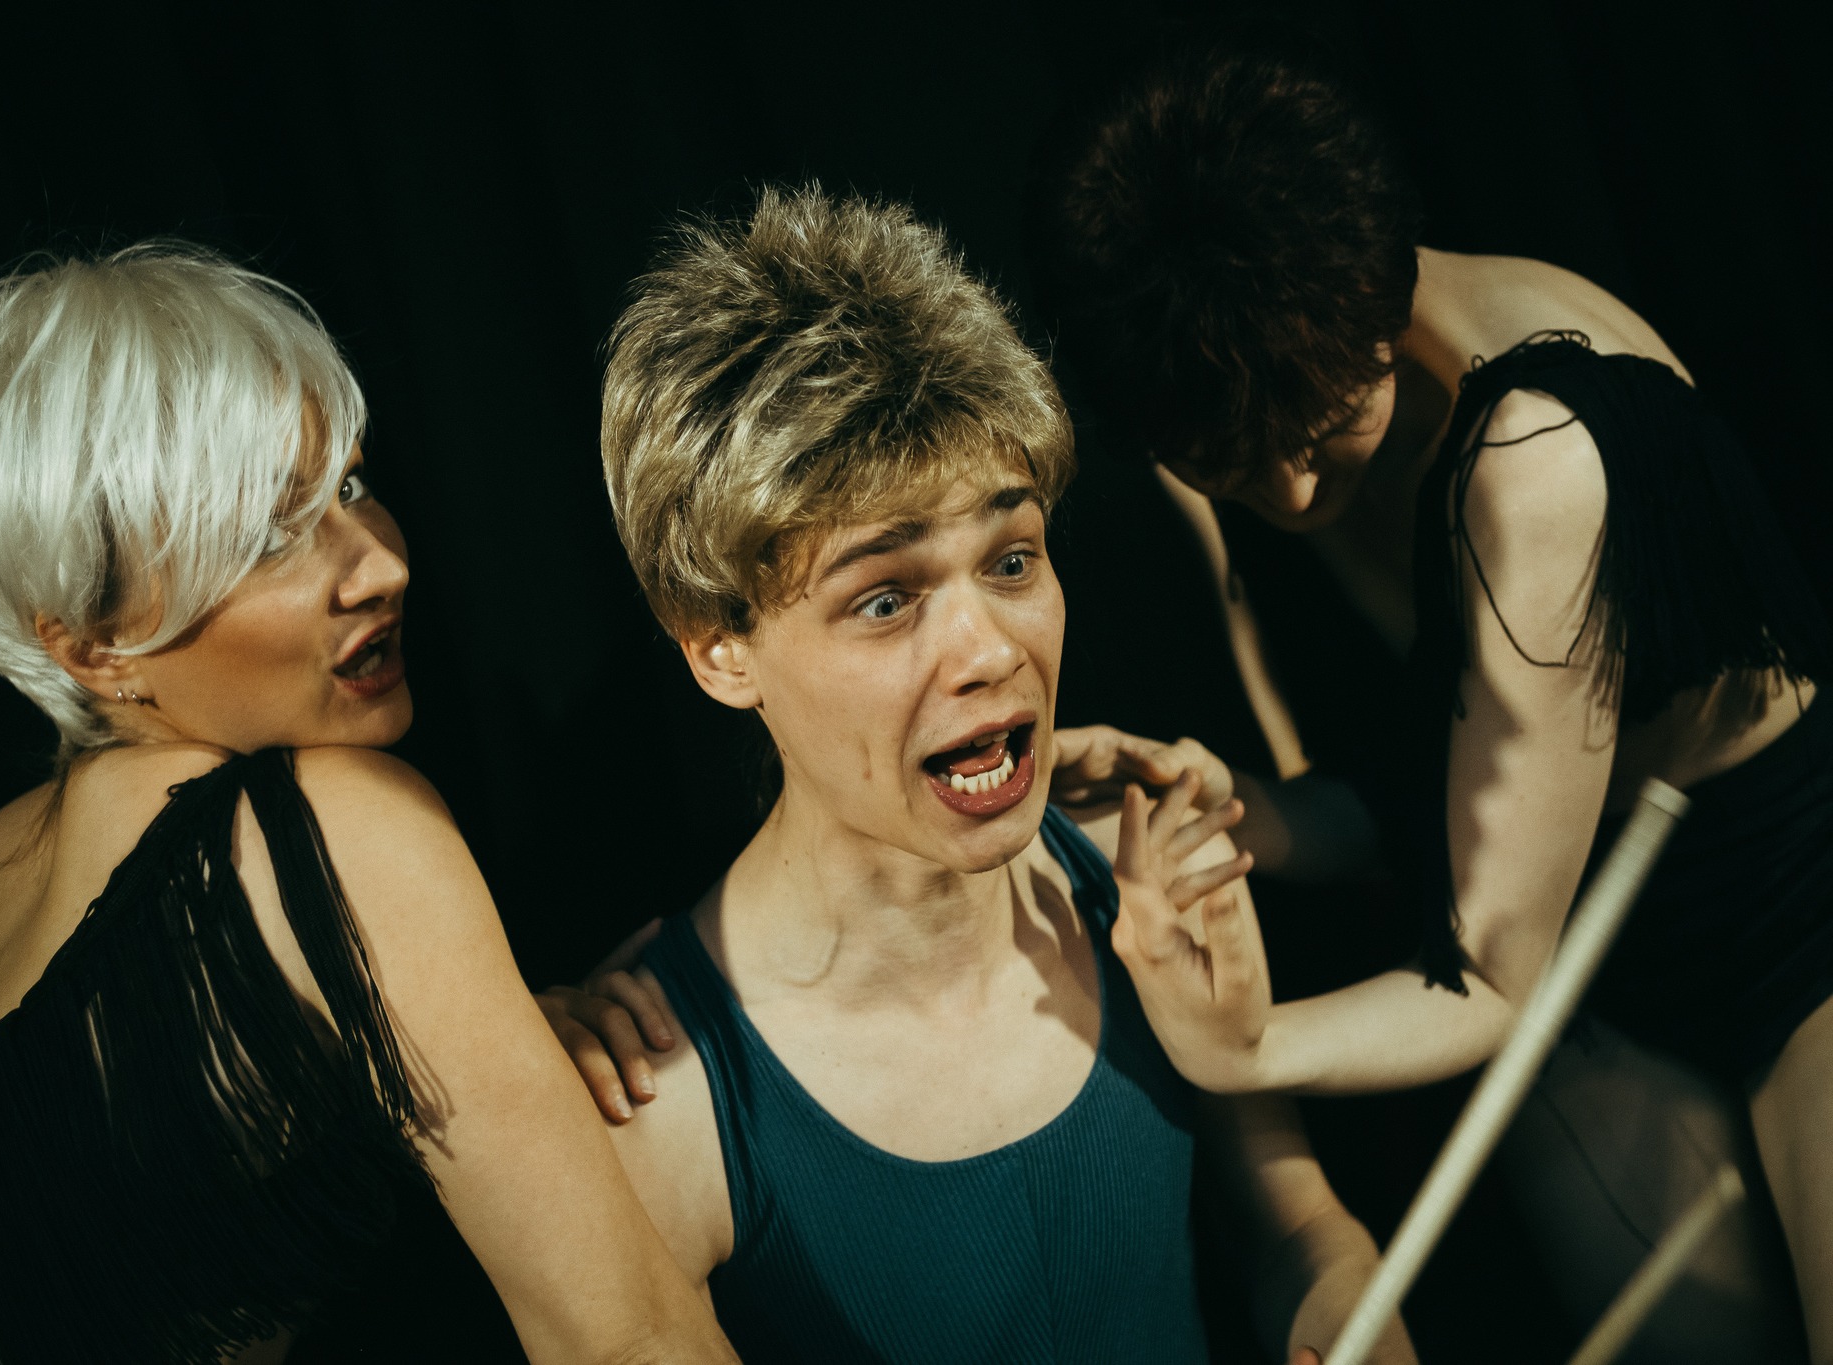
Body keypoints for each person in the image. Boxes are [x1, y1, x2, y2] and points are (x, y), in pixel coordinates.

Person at [1024, 38, 1830, 1360]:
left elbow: (1492, 971)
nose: (1288, 493)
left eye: (1317, 430)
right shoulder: (1219, 391)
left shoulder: (1539, 456)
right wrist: (1231, 806)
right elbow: (1421, 806)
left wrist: (1243, 1051)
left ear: (1375, 296)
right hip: (1589, 987)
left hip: (1793, 916)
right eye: (1233, 461)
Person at [0, 246, 737, 1365]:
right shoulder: (333, 826)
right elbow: (628, 1341)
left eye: (348, 487)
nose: (380, 565)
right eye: (265, 536)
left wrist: (479, 1036)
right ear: (94, 647)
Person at [542, 185, 1416, 1364]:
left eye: (1009, 559)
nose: (990, 651)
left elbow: (1297, 1237)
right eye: (884, 598)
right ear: (719, 648)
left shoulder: (1135, 887)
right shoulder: (660, 1095)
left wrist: (1346, 1309)